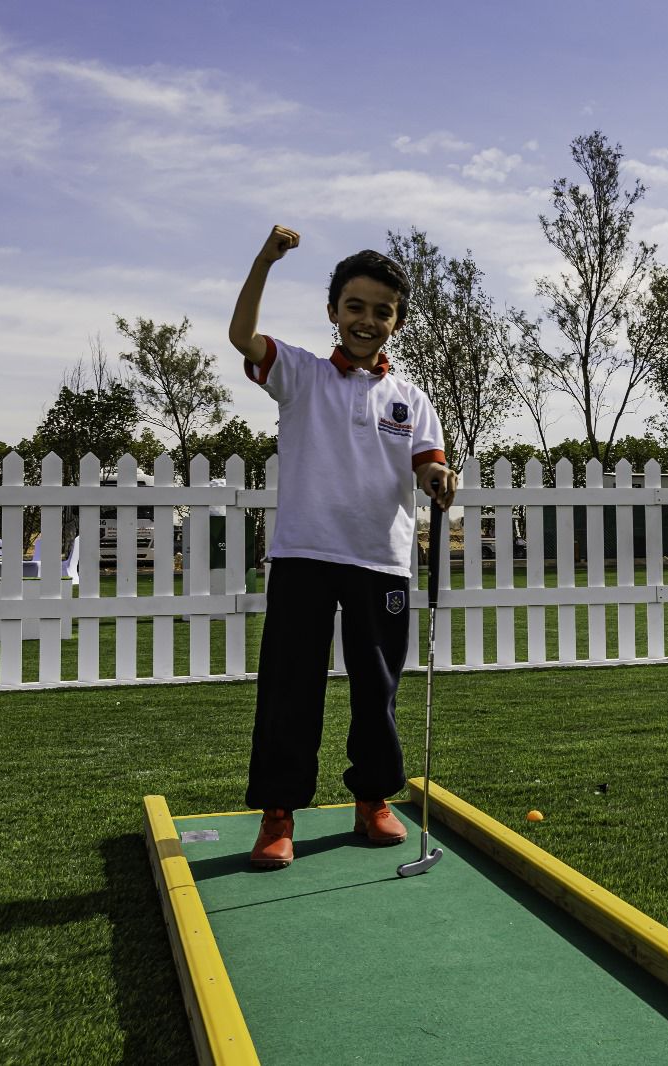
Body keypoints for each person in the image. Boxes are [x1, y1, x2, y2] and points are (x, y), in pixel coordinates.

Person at [229, 225, 457, 869]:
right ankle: (278, 813)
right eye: (354, 306)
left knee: (376, 691)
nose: (366, 320)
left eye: (382, 311)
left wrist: (438, 478)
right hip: (304, 555)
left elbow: (427, 464)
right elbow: (242, 336)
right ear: (333, 311)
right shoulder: (300, 373)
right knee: (289, 688)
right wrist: (263, 260)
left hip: (381, 560)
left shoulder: (411, 398)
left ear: (396, 322)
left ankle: (373, 799)